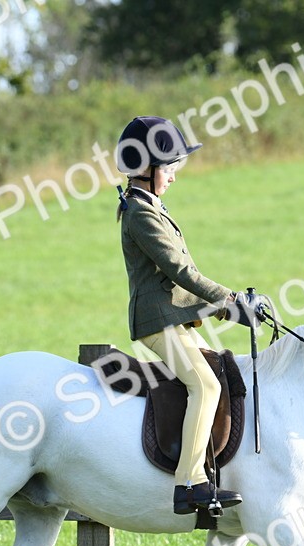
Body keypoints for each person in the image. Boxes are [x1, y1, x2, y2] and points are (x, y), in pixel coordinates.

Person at [115, 116, 261, 515]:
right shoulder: (140, 215)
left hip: (173, 318)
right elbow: (181, 272)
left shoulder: (151, 207)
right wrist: (231, 301)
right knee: (205, 386)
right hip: (156, 322)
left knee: (217, 371)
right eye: (169, 167)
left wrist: (231, 306)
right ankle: (189, 483)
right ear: (146, 168)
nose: (174, 175)